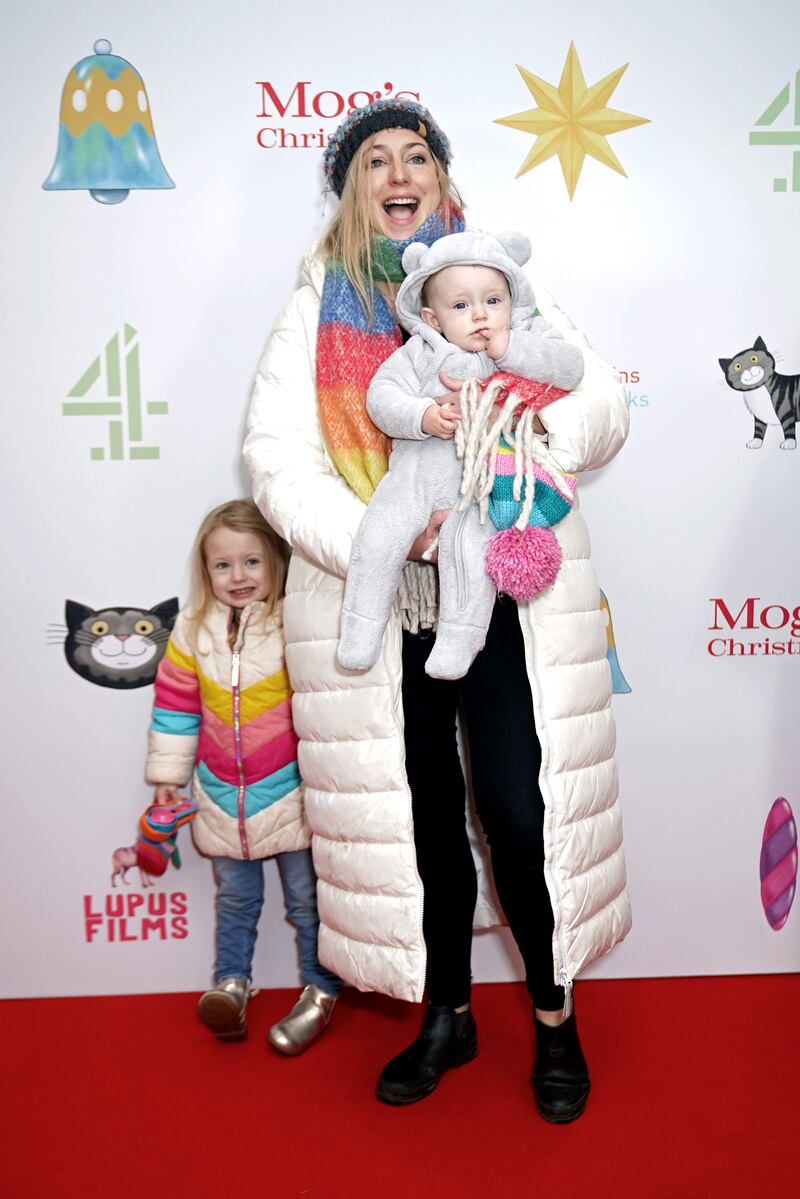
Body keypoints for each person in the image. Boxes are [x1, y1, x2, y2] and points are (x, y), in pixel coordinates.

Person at [245, 98, 631, 1123]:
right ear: (352, 191)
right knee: (419, 824)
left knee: (516, 808)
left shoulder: (494, 288)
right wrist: (389, 531)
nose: (399, 170)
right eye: (377, 159)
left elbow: (595, 403)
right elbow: (275, 463)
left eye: (417, 153)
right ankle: (448, 1015)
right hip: (380, 605)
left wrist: (517, 440)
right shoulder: (313, 306)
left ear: (441, 178)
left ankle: (554, 1015)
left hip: (503, 587)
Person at [336, 227, 584, 680]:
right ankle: (360, 628)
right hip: (415, 474)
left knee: (469, 552)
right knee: (378, 536)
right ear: (432, 320)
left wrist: (515, 351)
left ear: (512, 301)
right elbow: (381, 396)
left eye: (493, 301)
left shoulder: (524, 339)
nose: (481, 317)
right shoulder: (419, 353)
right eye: (461, 306)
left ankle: (461, 639)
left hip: (484, 483)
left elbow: (571, 368)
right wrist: (422, 415)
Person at [145, 499, 341, 1053]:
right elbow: (176, 707)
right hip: (219, 798)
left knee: (307, 902)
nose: (238, 577)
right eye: (222, 565)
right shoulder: (191, 629)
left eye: (251, 562)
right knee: (235, 899)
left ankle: (321, 989)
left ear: (276, 562)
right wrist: (168, 774)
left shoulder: (295, 622)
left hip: (295, 797)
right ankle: (231, 984)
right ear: (205, 572)